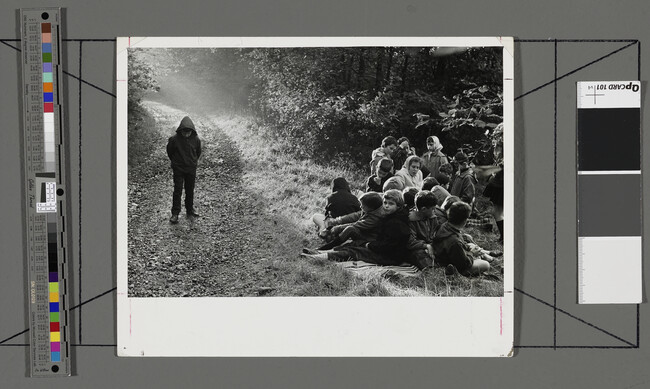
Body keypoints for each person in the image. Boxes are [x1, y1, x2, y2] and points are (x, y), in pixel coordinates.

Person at [301, 189, 411, 267]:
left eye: (390, 204)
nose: (386, 206)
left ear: (399, 206)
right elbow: (356, 216)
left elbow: (390, 244)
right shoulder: (389, 215)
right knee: (350, 246)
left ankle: (318, 257)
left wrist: (370, 245)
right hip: (381, 248)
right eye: (385, 203)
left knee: (353, 252)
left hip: (389, 256)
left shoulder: (396, 223)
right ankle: (319, 253)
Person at [432, 201, 490, 276]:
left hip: (446, 255)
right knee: (486, 265)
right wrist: (472, 253)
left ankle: (483, 255)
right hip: (452, 265)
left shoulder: (444, 225)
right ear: (465, 221)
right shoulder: (455, 242)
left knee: (468, 237)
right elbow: (464, 264)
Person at [314, 192, 384, 250]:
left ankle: (329, 246)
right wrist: (337, 221)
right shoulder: (369, 211)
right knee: (348, 230)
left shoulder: (375, 218)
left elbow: (356, 225)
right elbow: (354, 216)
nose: (360, 207)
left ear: (371, 208)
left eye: (363, 206)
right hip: (363, 234)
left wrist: (337, 228)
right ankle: (329, 241)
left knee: (349, 232)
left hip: (368, 239)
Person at [166, 116, 202, 224]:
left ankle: (189, 210)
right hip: (178, 168)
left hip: (191, 168)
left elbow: (198, 153)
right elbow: (170, 152)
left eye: (188, 132)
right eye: (184, 132)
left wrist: (193, 162)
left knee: (190, 189)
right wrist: (176, 163)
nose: (186, 134)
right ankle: (175, 213)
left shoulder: (196, 140)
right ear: (180, 130)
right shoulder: (174, 139)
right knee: (178, 190)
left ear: (192, 131)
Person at [406, 191, 440, 270]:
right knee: (418, 254)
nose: (434, 211)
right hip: (418, 247)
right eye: (432, 209)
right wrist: (426, 246)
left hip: (431, 244)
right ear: (424, 209)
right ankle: (431, 268)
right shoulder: (410, 220)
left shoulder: (432, 217)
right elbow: (410, 242)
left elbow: (437, 232)